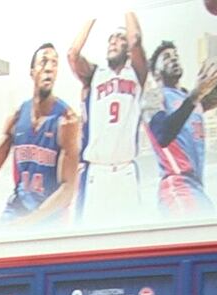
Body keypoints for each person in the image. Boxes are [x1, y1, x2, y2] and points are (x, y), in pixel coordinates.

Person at [0, 43, 82, 228]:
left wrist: (30, 222)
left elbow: (68, 189)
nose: (49, 68)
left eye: (54, 63)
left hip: (47, 218)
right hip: (17, 209)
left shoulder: (66, 121)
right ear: (32, 72)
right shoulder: (18, 116)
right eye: (44, 62)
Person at [147, 2, 217, 215]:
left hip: (196, 187)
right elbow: (163, 135)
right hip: (175, 185)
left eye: (175, 55)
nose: (174, 59)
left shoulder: (195, 100)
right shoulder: (155, 95)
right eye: (166, 58)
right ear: (155, 73)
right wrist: (196, 94)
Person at [69, 14, 149, 222]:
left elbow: (136, 40)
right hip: (97, 170)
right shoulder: (95, 74)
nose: (113, 41)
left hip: (125, 171)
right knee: (91, 242)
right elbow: (73, 54)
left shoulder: (137, 73)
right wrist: (92, 15)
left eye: (119, 37)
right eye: (110, 38)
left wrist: (130, 9)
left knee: (131, 243)